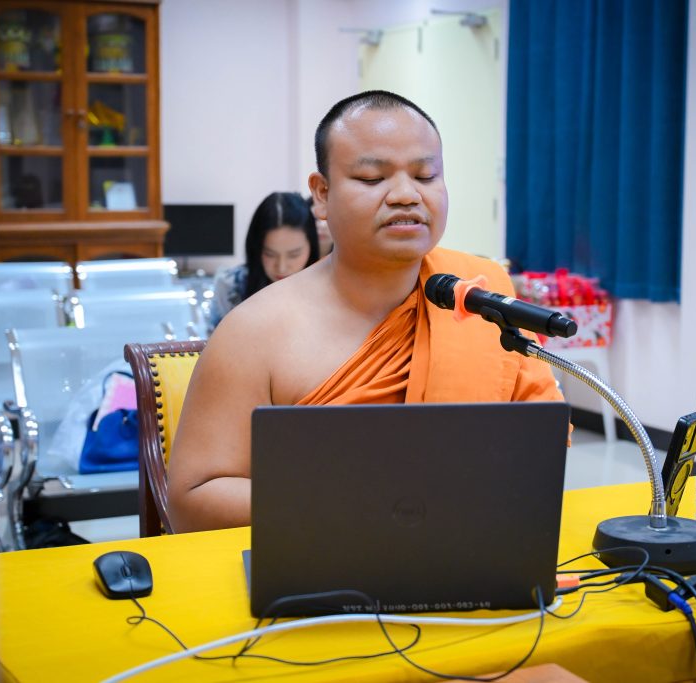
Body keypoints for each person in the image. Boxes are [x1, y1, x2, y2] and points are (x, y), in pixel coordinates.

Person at [169, 90, 565, 532]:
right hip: (319, 560)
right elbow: (192, 499)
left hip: (470, 546)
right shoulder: (256, 330)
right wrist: (366, 502)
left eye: (426, 175)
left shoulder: (481, 293)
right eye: (373, 178)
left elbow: (541, 441)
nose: (406, 195)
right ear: (321, 194)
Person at [205, 192, 320, 334]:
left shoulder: (328, 287)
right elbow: (215, 343)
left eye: (294, 255)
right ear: (256, 248)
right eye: (270, 254)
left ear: (311, 246)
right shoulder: (231, 286)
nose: (281, 267)